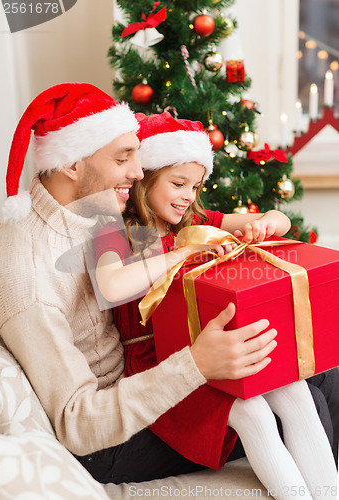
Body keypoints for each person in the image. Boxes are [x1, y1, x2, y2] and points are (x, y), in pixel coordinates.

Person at [0, 84, 337, 492]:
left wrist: (262, 221)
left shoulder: (93, 206)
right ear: (71, 164)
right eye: (124, 158)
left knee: (314, 373)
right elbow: (80, 423)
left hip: (155, 367)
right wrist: (197, 362)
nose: (138, 171)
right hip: (110, 434)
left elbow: (225, 222)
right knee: (286, 402)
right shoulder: (40, 271)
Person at [93, 112, 336, 499]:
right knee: (251, 411)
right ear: (146, 176)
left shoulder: (199, 220)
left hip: (213, 350)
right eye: (178, 183)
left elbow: (280, 221)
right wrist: (181, 251)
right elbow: (110, 285)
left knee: (293, 390)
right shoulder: (115, 229)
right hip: (160, 366)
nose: (189, 195)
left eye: (196, 185)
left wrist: (264, 224)